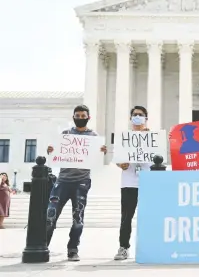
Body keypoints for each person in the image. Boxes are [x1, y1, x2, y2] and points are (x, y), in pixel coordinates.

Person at [46, 105, 107, 261]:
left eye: (83, 115)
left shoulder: (94, 136)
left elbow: (97, 159)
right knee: (50, 215)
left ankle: (73, 249)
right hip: (62, 181)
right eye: (77, 115)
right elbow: (55, 153)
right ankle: (43, 245)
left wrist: (101, 152)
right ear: (73, 117)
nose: (80, 118)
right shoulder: (65, 134)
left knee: (78, 218)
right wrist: (51, 151)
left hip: (82, 182)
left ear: (88, 117)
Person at [114, 106, 151, 260]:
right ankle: (123, 247)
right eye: (135, 115)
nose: (137, 117)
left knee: (148, 216)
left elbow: (160, 155)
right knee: (126, 217)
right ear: (130, 118)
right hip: (129, 182)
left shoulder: (152, 136)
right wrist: (121, 164)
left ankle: (149, 246)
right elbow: (118, 159)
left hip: (148, 180)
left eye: (141, 115)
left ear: (146, 118)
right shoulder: (125, 137)